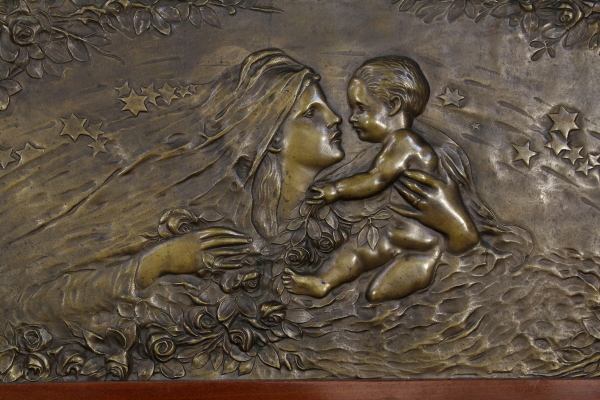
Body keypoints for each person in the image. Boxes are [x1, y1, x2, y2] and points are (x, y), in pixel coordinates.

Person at [282, 56, 478, 302]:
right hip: (394, 234)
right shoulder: (394, 146)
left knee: (376, 289)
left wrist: (335, 190)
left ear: (393, 105)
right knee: (355, 253)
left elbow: (375, 179)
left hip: (421, 242)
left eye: (361, 108)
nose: (351, 118)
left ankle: (418, 279)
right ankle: (323, 283)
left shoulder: (404, 141)